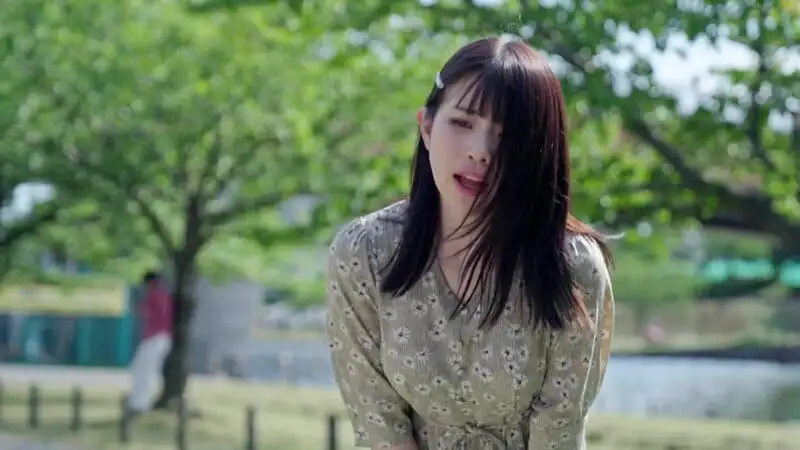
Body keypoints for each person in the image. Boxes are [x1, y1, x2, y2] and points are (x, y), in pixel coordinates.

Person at [325, 36, 615, 450]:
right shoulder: (365, 253)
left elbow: (559, 434)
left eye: (508, 136)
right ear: (427, 127)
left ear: (538, 152)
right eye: (462, 123)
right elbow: (378, 428)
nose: (481, 152)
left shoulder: (571, 267)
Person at [127, 270, 174, 415]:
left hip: (155, 338)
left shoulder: (155, 296)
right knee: (142, 369)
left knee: (144, 370)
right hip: (160, 338)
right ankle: (138, 402)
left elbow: (141, 310)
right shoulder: (164, 297)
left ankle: (140, 404)